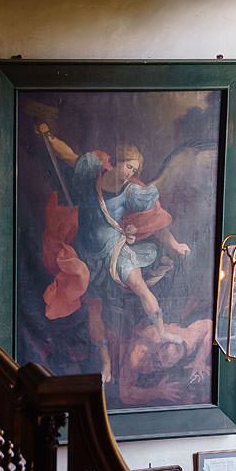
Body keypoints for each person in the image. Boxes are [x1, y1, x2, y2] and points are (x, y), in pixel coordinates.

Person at [36, 123, 191, 380]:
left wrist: (174, 245)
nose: (130, 172)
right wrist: (48, 136)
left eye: (134, 169)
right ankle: (105, 362)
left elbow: (154, 219)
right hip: (87, 254)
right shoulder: (89, 176)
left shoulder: (131, 192)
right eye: (128, 165)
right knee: (94, 308)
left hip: (115, 250)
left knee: (139, 285)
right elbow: (68, 155)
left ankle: (162, 331)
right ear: (115, 162)